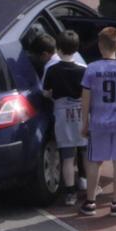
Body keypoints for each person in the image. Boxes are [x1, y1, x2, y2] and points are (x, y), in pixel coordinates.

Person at [79, 28, 116, 216]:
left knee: (95, 160)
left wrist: (85, 122)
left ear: (99, 46)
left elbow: (86, 98)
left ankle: (90, 202)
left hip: (98, 121)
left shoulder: (91, 69)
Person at [42, 30, 90, 206]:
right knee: (85, 151)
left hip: (62, 115)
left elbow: (46, 92)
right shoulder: (84, 69)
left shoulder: (52, 70)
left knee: (67, 156)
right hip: (82, 113)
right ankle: (87, 183)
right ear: (76, 49)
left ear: (59, 49)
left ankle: (70, 192)